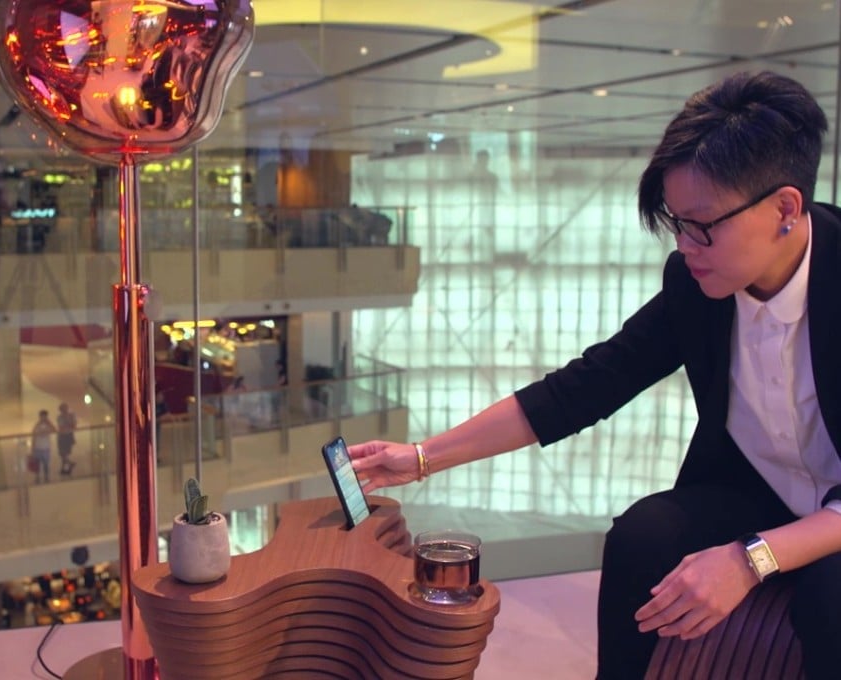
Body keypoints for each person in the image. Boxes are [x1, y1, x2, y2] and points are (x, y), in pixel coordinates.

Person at [349, 70, 841, 680]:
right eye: (675, 222)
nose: (685, 244)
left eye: (702, 224)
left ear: (784, 208)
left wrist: (751, 560)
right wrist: (422, 457)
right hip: (760, 493)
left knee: (830, 599)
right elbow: (586, 387)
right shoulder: (697, 283)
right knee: (642, 537)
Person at [30, 409, 56, 484]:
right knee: (37, 464)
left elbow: (54, 430)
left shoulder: (48, 425)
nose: (43, 418)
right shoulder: (36, 426)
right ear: (40, 416)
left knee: (46, 464)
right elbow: (33, 436)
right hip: (38, 448)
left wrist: (49, 423)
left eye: (45, 417)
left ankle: (46, 476)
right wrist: (32, 449)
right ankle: (37, 476)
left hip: (46, 448)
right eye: (42, 416)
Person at [57, 403, 77, 475]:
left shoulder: (72, 415)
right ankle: (67, 466)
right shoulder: (60, 417)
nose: (64, 410)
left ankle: (66, 467)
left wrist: (68, 424)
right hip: (62, 436)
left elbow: (74, 425)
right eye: (62, 409)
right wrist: (68, 425)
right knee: (63, 453)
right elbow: (61, 427)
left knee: (65, 453)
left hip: (68, 436)